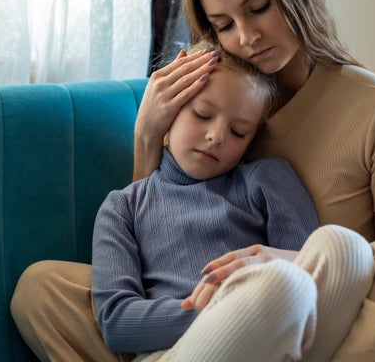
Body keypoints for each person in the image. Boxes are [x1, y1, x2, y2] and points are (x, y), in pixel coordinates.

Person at [11, 0, 375, 362]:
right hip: (214, 322)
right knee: (44, 286)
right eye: (223, 25)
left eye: (259, 7)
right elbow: (155, 230)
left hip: (326, 323)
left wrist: (283, 264)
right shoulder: (217, 112)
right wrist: (150, 136)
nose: (246, 38)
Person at [92, 43, 322, 357]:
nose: (216, 136)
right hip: (179, 351)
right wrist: (223, 317)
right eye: (202, 114)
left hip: (273, 339)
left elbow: (313, 271)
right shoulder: (122, 207)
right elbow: (116, 322)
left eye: (239, 132)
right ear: (167, 112)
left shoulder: (266, 178)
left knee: (347, 248)